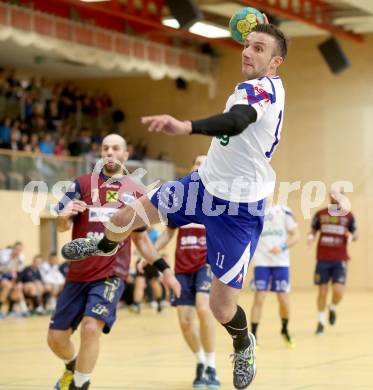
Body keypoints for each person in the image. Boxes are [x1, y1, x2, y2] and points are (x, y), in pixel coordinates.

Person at [62, 23, 288, 390]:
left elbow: (236, 120)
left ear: (275, 62)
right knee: (122, 217)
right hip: (202, 186)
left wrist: (185, 126)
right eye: (247, 45)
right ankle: (104, 245)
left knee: (221, 309)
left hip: (238, 211)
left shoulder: (263, 91)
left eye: (259, 49)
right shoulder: (254, 84)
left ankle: (244, 343)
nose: (247, 52)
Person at [49, 134, 180, 390]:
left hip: (111, 273)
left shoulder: (137, 192)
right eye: (105, 148)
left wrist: (165, 270)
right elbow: (62, 225)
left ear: (125, 154)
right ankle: (73, 365)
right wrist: (64, 217)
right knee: (56, 339)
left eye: (115, 148)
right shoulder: (81, 184)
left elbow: (141, 241)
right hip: (78, 274)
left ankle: (80, 384)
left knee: (90, 327)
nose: (110, 152)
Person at [154, 155, 220, 388]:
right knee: (184, 321)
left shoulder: (217, 203)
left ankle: (212, 367)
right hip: (181, 269)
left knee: (203, 309)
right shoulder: (180, 202)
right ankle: (201, 361)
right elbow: (168, 234)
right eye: (196, 164)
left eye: (204, 164)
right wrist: (150, 253)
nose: (199, 167)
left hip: (205, 266)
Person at [307, 187, 357, 335]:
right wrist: (310, 237)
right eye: (332, 194)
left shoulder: (349, 216)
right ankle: (320, 322)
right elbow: (313, 230)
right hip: (323, 258)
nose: (334, 197)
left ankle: (333, 307)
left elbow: (356, 234)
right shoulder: (321, 214)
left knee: (338, 291)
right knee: (322, 291)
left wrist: (351, 236)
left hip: (340, 259)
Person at [249, 200, 299, 347]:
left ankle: (284, 329)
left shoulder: (284, 211)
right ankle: (254, 335)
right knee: (259, 296)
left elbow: (296, 235)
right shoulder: (253, 212)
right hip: (262, 261)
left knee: (283, 298)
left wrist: (282, 246)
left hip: (281, 262)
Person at [131, 227, 164, 313]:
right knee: (140, 282)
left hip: (151, 261)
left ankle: (159, 302)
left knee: (154, 282)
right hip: (143, 261)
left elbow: (161, 247)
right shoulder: (141, 231)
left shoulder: (156, 233)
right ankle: (136, 304)